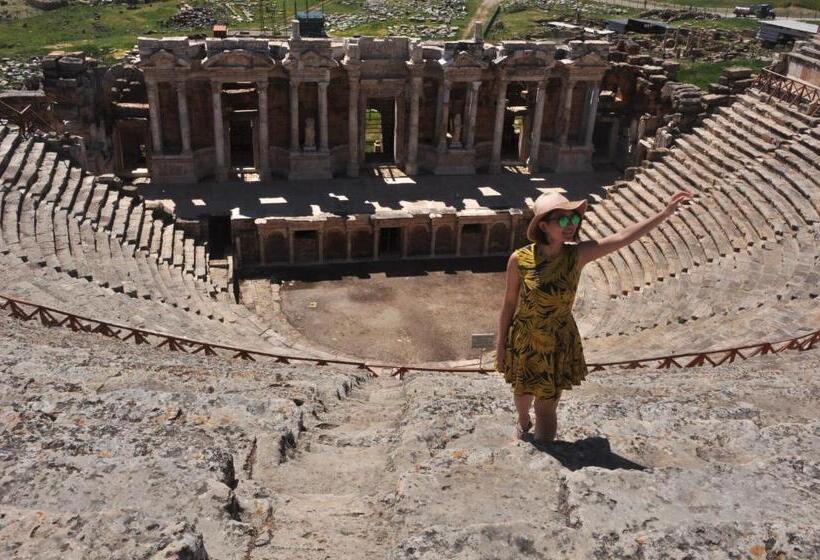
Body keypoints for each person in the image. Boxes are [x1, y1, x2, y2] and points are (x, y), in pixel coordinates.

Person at [495, 190, 692, 445]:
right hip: (525, 336)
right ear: (543, 225)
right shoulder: (519, 259)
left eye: (574, 219)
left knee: (547, 406)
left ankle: (544, 454)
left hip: (558, 339)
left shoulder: (577, 255)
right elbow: (509, 303)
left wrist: (664, 214)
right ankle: (522, 420)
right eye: (563, 220)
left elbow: (622, 238)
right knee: (522, 391)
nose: (571, 225)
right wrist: (500, 346)